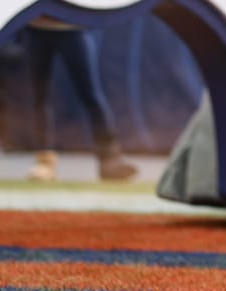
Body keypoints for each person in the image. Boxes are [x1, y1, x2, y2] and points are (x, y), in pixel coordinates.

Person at [23, 18, 140, 183]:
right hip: (36, 28)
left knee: (91, 94)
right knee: (39, 97)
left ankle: (110, 160)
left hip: (72, 27)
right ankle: (44, 162)